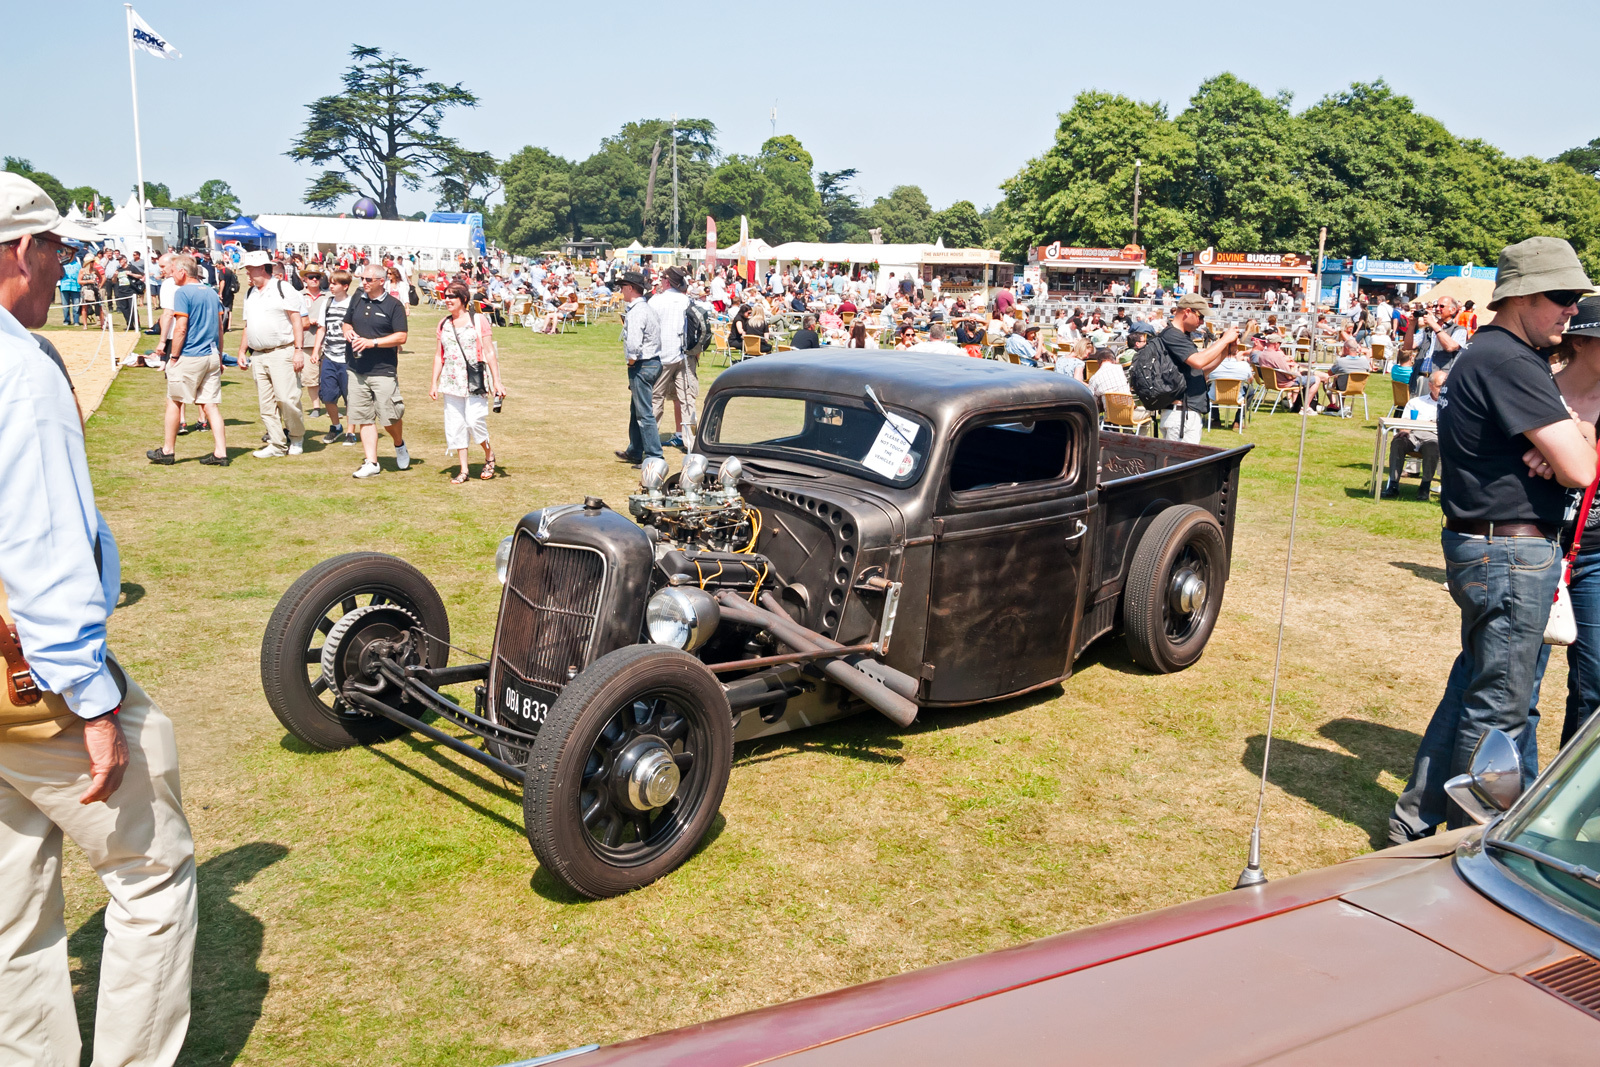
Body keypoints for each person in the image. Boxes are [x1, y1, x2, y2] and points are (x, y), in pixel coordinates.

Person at [0, 171, 197, 1067]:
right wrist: (93, 700)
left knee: (11, 913)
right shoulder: (21, 372)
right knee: (152, 873)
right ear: (21, 250)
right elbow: (43, 544)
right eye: (55, 247)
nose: (60, 265)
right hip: (31, 681)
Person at [1390, 237, 1598, 844]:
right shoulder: (1511, 360)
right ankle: (1470, 844)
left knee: (1472, 690)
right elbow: (1581, 469)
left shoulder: (1490, 353)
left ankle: (1415, 825)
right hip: (1508, 552)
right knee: (1500, 710)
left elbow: (1570, 456)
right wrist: (1568, 442)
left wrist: (1563, 441)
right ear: (1523, 296)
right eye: (1562, 296)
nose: (1572, 309)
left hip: (1490, 547)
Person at [1530, 298, 1600, 747]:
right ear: (1580, 341)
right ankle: (1512, 778)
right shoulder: (1537, 391)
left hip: (1594, 555)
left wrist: (1578, 443)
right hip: (1532, 548)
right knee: (1519, 684)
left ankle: (1569, 783)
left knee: (1595, 683)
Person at [146, 255, 228, 466]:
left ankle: (168, 450)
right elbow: (220, 327)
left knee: (174, 401)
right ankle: (221, 452)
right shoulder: (210, 292)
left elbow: (181, 328)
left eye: (173, 270)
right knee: (211, 405)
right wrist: (219, 356)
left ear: (182, 271)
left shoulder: (182, 293)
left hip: (191, 354)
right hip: (211, 355)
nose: (171, 274)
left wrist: (173, 356)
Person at [430, 283, 504, 483]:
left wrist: (497, 381)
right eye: (445, 296)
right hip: (451, 381)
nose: (447, 300)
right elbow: (439, 355)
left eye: (452, 296)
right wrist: (434, 383)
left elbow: (489, 352)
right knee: (456, 425)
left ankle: (489, 454)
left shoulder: (478, 320)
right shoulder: (443, 323)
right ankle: (464, 470)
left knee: (474, 421)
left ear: (463, 299)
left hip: (474, 379)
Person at [342, 264, 411, 479]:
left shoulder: (394, 305)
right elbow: (346, 323)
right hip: (356, 368)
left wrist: (372, 342)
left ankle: (399, 444)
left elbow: (401, 337)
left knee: (390, 417)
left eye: (368, 279)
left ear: (382, 281)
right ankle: (371, 462)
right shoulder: (357, 298)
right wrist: (348, 331)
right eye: (362, 279)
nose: (364, 283)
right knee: (364, 416)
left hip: (383, 369)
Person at [238, 250, 306, 458]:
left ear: (262, 268)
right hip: (258, 355)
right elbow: (248, 325)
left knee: (287, 399)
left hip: (282, 351)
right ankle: (277, 444)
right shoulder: (250, 293)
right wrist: (241, 350)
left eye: (249, 269)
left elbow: (296, 320)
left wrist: (298, 350)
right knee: (266, 404)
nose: (247, 273)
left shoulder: (282, 288)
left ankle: (296, 436)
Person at [1156, 294, 1239, 443]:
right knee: (1183, 459)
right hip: (1180, 415)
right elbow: (1199, 362)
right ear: (1188, 311)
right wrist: (1224, 339)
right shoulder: (1172, 335)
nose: (1202, 322)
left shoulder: (1180, 336)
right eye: (1201, 317)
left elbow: (1200, 371)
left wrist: (1226, 350)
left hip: (1185, 414)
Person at [614, 271, 663, 466]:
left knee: (644, 413)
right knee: (637, 410)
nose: (621, 291)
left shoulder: (637, 312)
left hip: (643, 364)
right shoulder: (647, 308)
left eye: (622, 287)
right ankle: (635, 450)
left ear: (630, 288)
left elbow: (634, 345)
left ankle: (654, 456)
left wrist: (631, 363)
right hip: (652, 362)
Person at [649, 267, 696, 450]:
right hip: (684, 355)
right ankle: (690, 442)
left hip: (663, 355)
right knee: (687, 400)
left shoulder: (656, 300)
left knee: (656, 399)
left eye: (662, 278)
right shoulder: (686, 300)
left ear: (667, 281)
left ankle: (651, 444)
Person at [1380, 370, 1445, 500]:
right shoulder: (1416, 402)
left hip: (1434, 436)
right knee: (1398, 442)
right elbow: (1405, 423)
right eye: (1439, 386)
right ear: (1430, 385)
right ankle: (1393, 484)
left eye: (1445, 386)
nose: (1442, 390)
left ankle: (1425, 486)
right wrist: (1404, 431)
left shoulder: (1450, 405)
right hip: (1413, 435)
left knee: (1433, 446)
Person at [311, 269, 356, 445]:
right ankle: (336, 426)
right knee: (328, 396)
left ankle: (350, 432)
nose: (331, 286)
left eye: (335, 283)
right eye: (330, 283)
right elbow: (322, 328)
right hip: (329, 356)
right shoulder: (327, 303)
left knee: (350, 397)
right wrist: (316, 351)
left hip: (348, 358)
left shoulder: (353, 303)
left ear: (345, 286)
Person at [299, 265, 328, 419]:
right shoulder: (298, 296)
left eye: (317, 277)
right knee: (311, 377)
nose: (314, 280)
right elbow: (291, 318)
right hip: (307, 341)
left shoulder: (328, 296)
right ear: (305, 279)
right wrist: (307, 321)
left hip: (327, 341)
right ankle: (316, 406)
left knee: (329, 377)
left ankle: (331, 405)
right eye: (311, 277)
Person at [59, 248, 81, 325]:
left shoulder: (77, 265)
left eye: (70, 254)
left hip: (75, 287)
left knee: (76, 305)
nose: (69, 255)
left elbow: (80, 275)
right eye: (67, 254)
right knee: (65, 306)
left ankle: (76, 321)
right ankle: (66, 320)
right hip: (64, 286)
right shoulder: (62, 265)